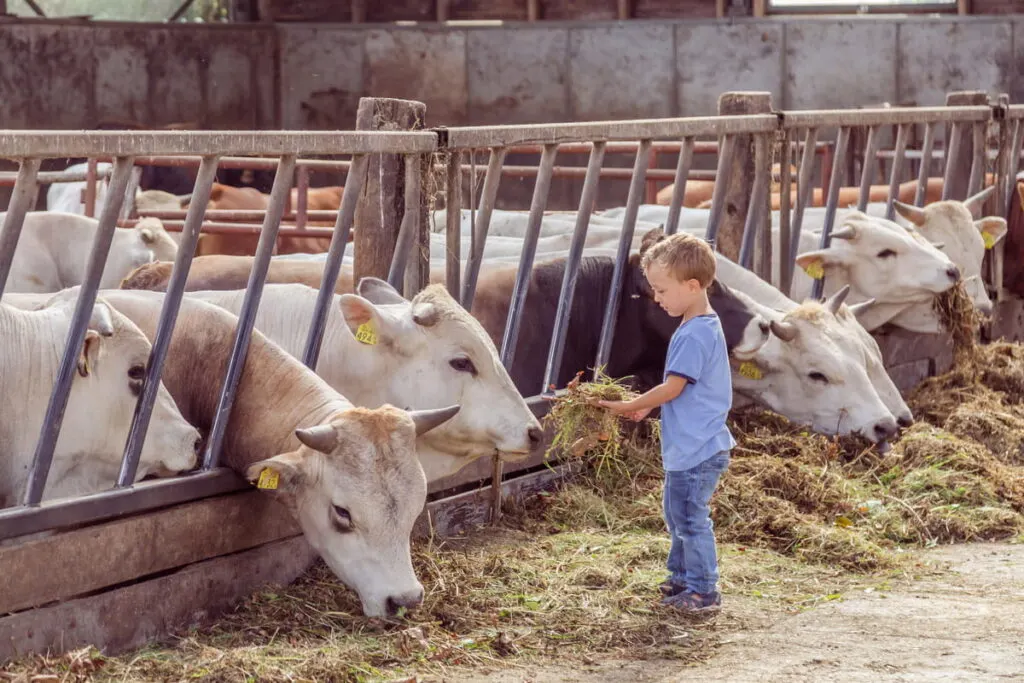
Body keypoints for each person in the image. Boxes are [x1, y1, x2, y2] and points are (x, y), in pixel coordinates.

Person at [597, 232, 735, 613]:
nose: (656, 298)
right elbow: (683, 391)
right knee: (677, 515)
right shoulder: (699, 325)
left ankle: (704, 591)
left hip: (697, 448)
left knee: (690, 519)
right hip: (692, 445)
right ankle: (681, 579)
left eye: (661, 290)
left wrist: (630, 405)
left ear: (692, 286)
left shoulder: (694, 334)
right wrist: (646, 409)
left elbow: (673, 387)